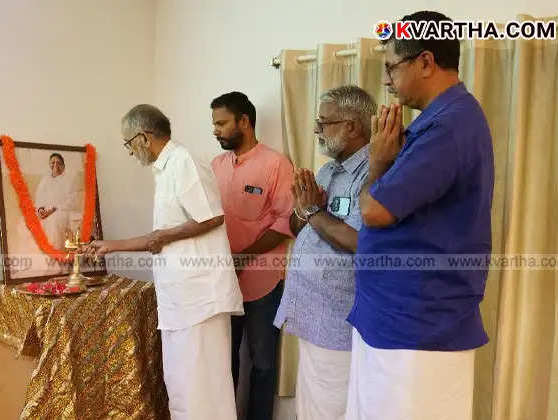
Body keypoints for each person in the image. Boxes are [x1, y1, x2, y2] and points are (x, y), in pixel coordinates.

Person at [345, 11, 494, 420]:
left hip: (417, 327)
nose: (388, 81)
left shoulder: (449, 126)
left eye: (392, 67)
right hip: (396, 319)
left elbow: (375, 210)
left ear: (426, 62)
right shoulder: (437, 122)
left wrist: (376, 163)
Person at [85, 104, 243, 420]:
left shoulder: (183, 161)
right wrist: (114, 246)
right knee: (183, 388)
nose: (129, 152)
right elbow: (160, 236)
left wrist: (161, 238)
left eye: (128, 143)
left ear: (144, 136)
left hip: (200, 300)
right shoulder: (165, 168)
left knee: (204, 390)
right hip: (180, 300)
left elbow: (211, 218)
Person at [272, 85, 375, 420]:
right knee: (312, 402)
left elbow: (361, 242)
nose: (317, 129)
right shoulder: (329, 170)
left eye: (325, 122)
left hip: (338, 317)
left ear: (352, 126)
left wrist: (314, 212)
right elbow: (299, 223)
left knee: (333, 404)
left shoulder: (373, 173)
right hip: (310, 312)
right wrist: (304, 207)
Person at [209, 91, 294, 419]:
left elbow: (286, 221)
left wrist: (244, 257)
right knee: (223, 360)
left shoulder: (276, 165)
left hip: (263, 284)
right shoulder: (215, 166)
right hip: (222, 283)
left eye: (221, 123)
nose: (215, 130)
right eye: (214, 124)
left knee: (263, 363)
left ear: (244, 121)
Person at [34, 153, 83, 249]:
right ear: (49, 165)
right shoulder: (45, 179)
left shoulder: (68, 180)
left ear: (63, 166)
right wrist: (40, 209)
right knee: (30, 222)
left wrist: (53, 209)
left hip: (61, 211)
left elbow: (72, 200)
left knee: (54, 221)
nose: (55, 165)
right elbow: (39, 197)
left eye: (58, 163)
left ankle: (56, 252)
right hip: (45, 212)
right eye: (53, 162)